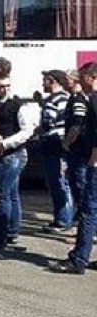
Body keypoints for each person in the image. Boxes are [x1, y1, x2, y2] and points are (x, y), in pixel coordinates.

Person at [0, 73, 39, 258]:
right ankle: (10, 231)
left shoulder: (17, 105)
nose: (4, 89)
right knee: (10, 194)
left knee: (2, 194)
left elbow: (27, 130)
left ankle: (1, 235)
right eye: (1, 86)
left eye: (7, 86)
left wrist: (6, 143)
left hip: (14, 154)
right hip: (0, 153)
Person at [50, 61, 97, 274]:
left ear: (91, 77)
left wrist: (93, 159)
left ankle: (78, 259)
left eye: (82, 76)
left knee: (88, 210)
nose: (80, 81)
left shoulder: (94, 99)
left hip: (93, 160)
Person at [38, 70, 73, 233]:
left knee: (60, 182)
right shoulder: (49, 99)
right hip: (47, 143)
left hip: (56, 144)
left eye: (45, 80)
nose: (43, 83)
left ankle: (64, 219)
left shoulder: (62, 99)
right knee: (53, 182)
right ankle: (59, 217)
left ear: (53, 81)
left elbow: (57, 123)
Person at [62, 69, 89, 225]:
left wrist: (67, 142)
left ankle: (86, 225)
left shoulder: (78, 99)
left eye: (67, 79)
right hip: (76, 150)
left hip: (78, 150)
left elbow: (77, 125)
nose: (65, 82)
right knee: (76, 186)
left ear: (75, 80)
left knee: (81, 187)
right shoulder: (73, 98)